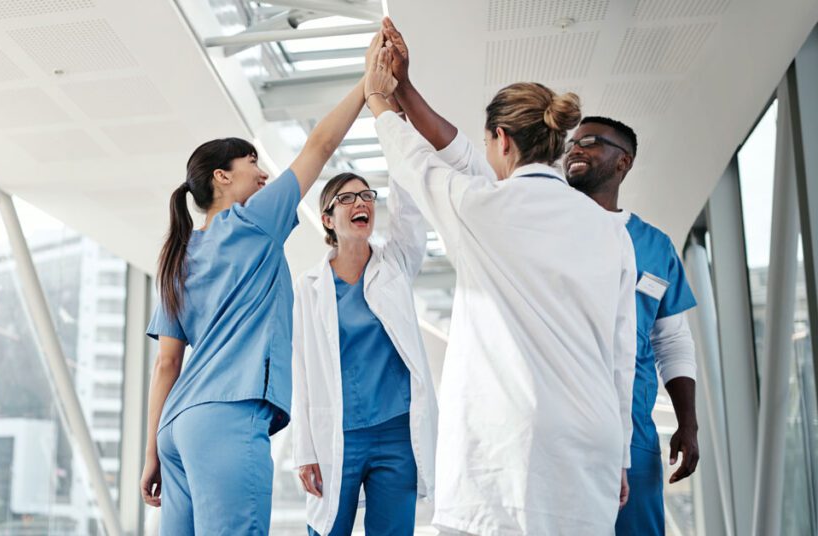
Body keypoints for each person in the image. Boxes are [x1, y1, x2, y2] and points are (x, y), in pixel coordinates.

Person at [365, 19, 637, 535]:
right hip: (593, 444)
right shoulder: (610, 232)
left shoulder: (481, 209)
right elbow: (622, 356)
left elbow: (416, 163)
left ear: (503, 140)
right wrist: (620, 448)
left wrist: (380, 97)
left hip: (512, 450)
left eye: (488, 143)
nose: (483, 154)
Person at [138, 32, 383, 535]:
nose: (265, 173)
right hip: (228, 422)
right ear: (222, 178)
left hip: (176, 430)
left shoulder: (178, 255)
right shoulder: (253, 221)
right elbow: (320, 145)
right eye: (252, 162)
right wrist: (367, 84)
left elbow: (167, 364)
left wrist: (151, 455)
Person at [564, 116, 699, 536]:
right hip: (558, 430)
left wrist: (688, 424)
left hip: (632, 433)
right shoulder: (549, 228)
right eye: (572, 142)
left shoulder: (655, 246)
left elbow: (672, 340)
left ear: (624, 161)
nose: (575, 149)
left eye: (590, 142)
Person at [291, 167, 438, 535]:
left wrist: (393, 127)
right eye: (346, 199)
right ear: (327, 219)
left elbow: (408, 214)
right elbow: (301, 370)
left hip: (396, 434)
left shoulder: (396, 264)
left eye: (366, 196)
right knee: (326, 529)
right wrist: (305, 451)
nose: (360, 203)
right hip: (338, 433)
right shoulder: (309, 287)